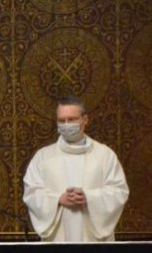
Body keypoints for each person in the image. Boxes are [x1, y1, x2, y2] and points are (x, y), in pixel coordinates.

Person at [22, 97, 128, 242]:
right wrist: (58, 199)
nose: (66, 124)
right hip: (58, 238)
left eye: (71, 119)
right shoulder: (43, 157)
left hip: (93, 241)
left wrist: (89, 198)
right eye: (62, 120)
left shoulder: (104, 155)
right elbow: (32, 193)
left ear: (85, 120)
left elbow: (118, 191)